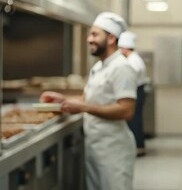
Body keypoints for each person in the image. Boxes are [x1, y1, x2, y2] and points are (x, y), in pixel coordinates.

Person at [39, 12, 138, 190]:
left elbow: (126, 110)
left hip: (113, 150)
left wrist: (83, 107)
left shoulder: (121, 67)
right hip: (95, 147)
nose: (89, 39)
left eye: (94, 34)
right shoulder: (99, 67)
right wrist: (63, 99)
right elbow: (89, 99)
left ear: (111, 38)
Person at [118, 31, 148, 157]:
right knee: (136, 120)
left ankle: (138, 147)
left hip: (136, 91)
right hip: (137, 91)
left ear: (125, 48)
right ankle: (138, 146)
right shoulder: (133, 58)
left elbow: (129, 78)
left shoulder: (133, 61)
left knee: (134, 121)